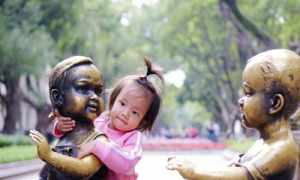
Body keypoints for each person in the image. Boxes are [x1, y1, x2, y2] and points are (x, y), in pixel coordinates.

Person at [167, 49, 300, 180]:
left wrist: (194, 172)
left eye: (248, 93)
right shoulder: (262, 143)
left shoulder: (281, 149)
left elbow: (241, 176)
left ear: (275, 103)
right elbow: (233, 169)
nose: (240, 101)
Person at [31, 57, 164, 180]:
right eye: (122, 104)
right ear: (113, 100)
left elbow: (127, 163)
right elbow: (75, 129)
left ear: (143, 120)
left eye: (135, 112)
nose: (125, 113)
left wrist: (98, 146)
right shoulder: (100, 120)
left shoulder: (133, 138)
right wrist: (60, 126)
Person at [30, 56, 107, 179]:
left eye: (98, 91)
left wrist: (49, 155)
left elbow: (85, 169)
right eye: (83, 88)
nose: (94, 97)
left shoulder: (98, 141)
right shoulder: (64, 138)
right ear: (57, 97)